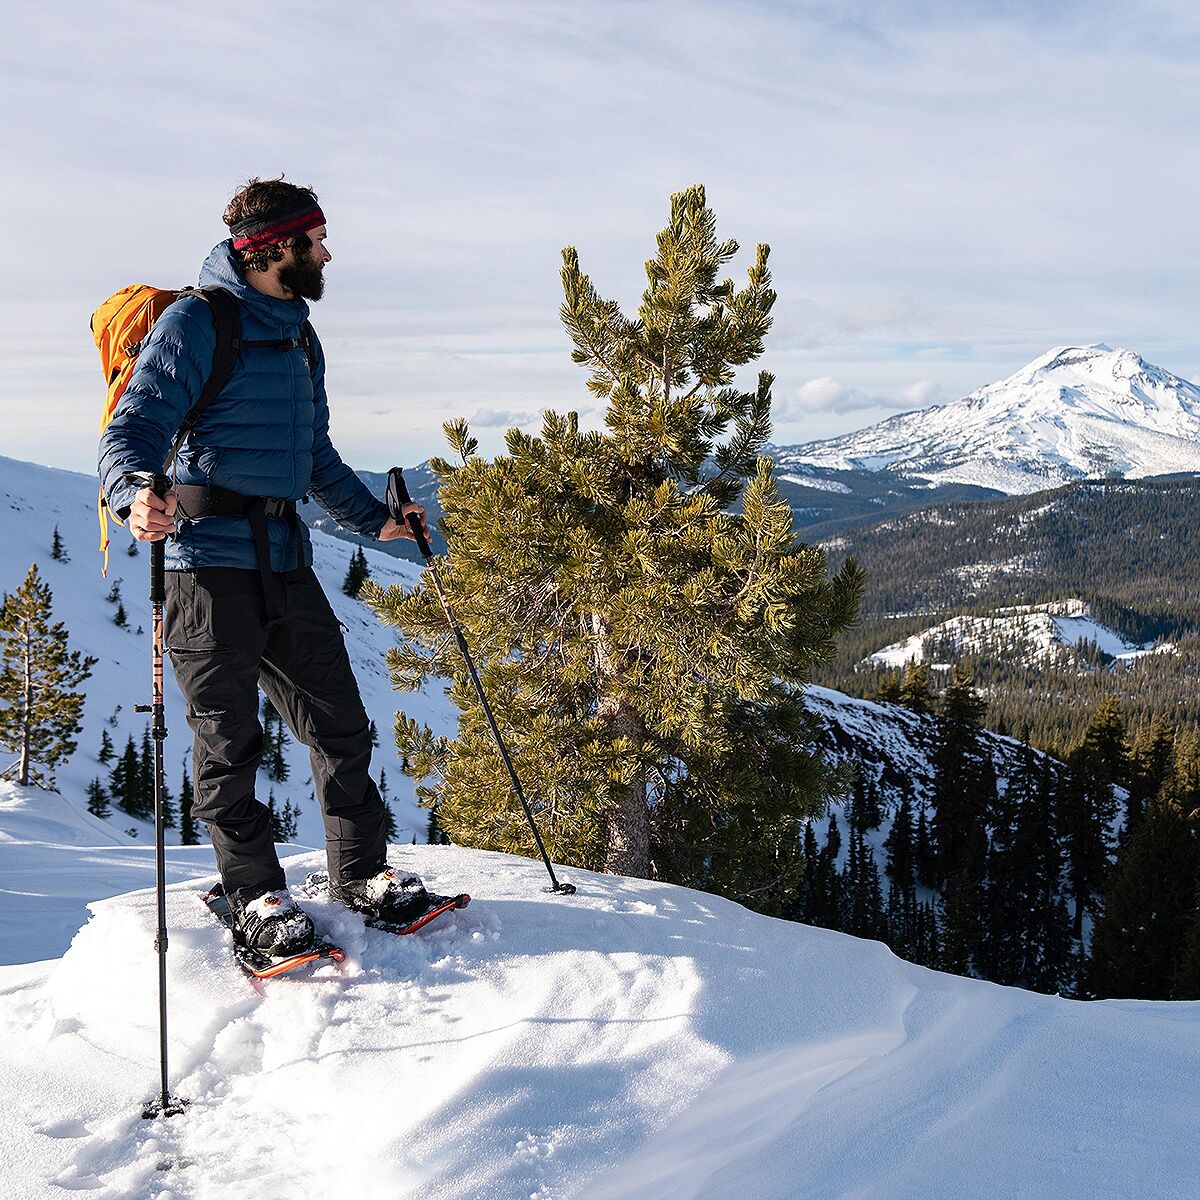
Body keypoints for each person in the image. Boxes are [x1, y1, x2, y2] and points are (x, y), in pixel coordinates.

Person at [98, 178, 429, 958]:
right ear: (270, 248)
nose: (326, 252)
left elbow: (312, 454)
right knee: (228, 742)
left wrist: (373, 517)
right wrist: (130, 497)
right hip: (203, 567)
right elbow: (133, 427)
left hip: (285, 560)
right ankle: (254, 894)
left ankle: (362, 874)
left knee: (339, 723)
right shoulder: (197, 322)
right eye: (315, 240)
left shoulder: (299, 334)